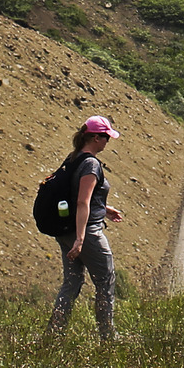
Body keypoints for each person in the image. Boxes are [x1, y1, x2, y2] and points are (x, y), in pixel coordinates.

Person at [47, 115, 126, 341]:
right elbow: (82, 202)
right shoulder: (91, 164)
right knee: (105, 278)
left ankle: (54, 333)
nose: (107, 142)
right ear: (94, 137)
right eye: (105, 138)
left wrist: (105, 208)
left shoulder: (73, 159)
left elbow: (80, 198)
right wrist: (81, 240)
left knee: (72, 282)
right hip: (87, 233)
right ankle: (108, 335)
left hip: (65, 231)